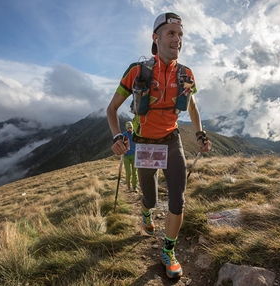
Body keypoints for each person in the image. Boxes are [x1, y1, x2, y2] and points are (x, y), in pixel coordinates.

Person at [106, 12, 212, 279]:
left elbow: (193, 108)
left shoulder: (186, 75)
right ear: (156, 37)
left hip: (171, 141)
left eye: (181, 34)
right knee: (151, 198)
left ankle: (169, 251)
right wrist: (119, 137)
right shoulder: (136, 71)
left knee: (178, 200)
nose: (178, 39)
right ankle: (145, 211)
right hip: (143, 144)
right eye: (171, 33)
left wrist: (199, 134)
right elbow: (111, 109)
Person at [122, 121, 138, 191]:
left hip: (134, 154)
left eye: (131, 127)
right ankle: (128, 185)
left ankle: (134, 186)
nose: (129, 129)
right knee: (128, 172)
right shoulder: (124, 135)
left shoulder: (135, 135)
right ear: (126, 128)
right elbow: (121, 143)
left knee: (135, 171)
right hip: (126, 156)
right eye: (128, 128)